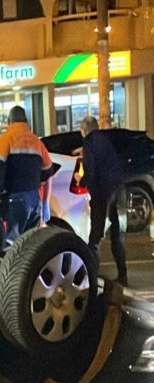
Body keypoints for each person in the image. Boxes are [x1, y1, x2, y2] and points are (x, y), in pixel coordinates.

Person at [0, 106, 53, 243]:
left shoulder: (6, 138)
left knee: (11, 243)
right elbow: (49, 170)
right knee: (31, 243)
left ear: (9, 121)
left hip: (16, 197)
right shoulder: (36, 141)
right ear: (26, 121)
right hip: (34, 199)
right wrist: (45, 202)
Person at [79, 116, 128, 285]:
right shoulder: (106, 139)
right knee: (118, 235)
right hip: (120, 189)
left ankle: (91, 278)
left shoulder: (88, 143)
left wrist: (82, 181)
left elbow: (90, 169)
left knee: (96, 238)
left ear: (84, 130)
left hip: (103, 192)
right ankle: (123, 275)